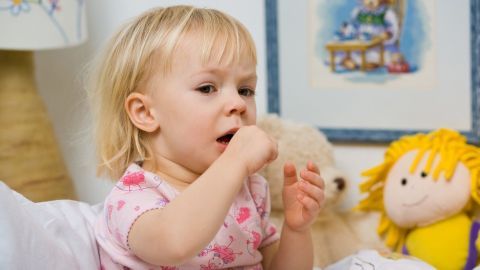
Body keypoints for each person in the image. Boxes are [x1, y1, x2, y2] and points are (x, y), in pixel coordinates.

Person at [91, 5, 325, 270]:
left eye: (246, 90)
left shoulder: (251, 190)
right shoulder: (133, 195)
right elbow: (174, 245)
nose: (238, 103)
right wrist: (235, 161)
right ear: (145, 112)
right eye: (207, 88)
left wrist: (296, 231)